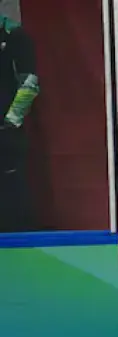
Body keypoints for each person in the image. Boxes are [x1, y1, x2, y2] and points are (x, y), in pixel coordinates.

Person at [0, 14, 39, 232]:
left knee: (11, 201)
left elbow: (29, 83)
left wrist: (10, 123)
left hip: (6, 138)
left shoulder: (15, 35)